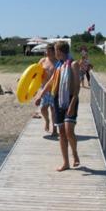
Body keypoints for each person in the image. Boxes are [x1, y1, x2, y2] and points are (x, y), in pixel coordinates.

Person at [35, 41, 80, 172]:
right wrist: (40, 95)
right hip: (58, 99)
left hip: (70, 99)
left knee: (69, 132)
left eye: (55, 50)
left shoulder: (73, 64)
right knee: (62, 133)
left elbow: (77, 87)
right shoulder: (59, 65)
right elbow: (51, 82)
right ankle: (66, 162)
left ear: (60, 51)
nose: (54, 53)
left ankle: (75, 154)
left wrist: (72, 103)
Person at [38, 44, 58, 136]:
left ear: (54, 52)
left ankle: (54, 129)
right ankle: (47, 120)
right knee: (42, 108)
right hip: (44, 89)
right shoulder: (42, 61)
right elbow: (34, 73)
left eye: (49, 51)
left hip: (54, 89)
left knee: (54, 110)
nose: (47, 53)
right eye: (47, 51)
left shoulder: (58, 62)